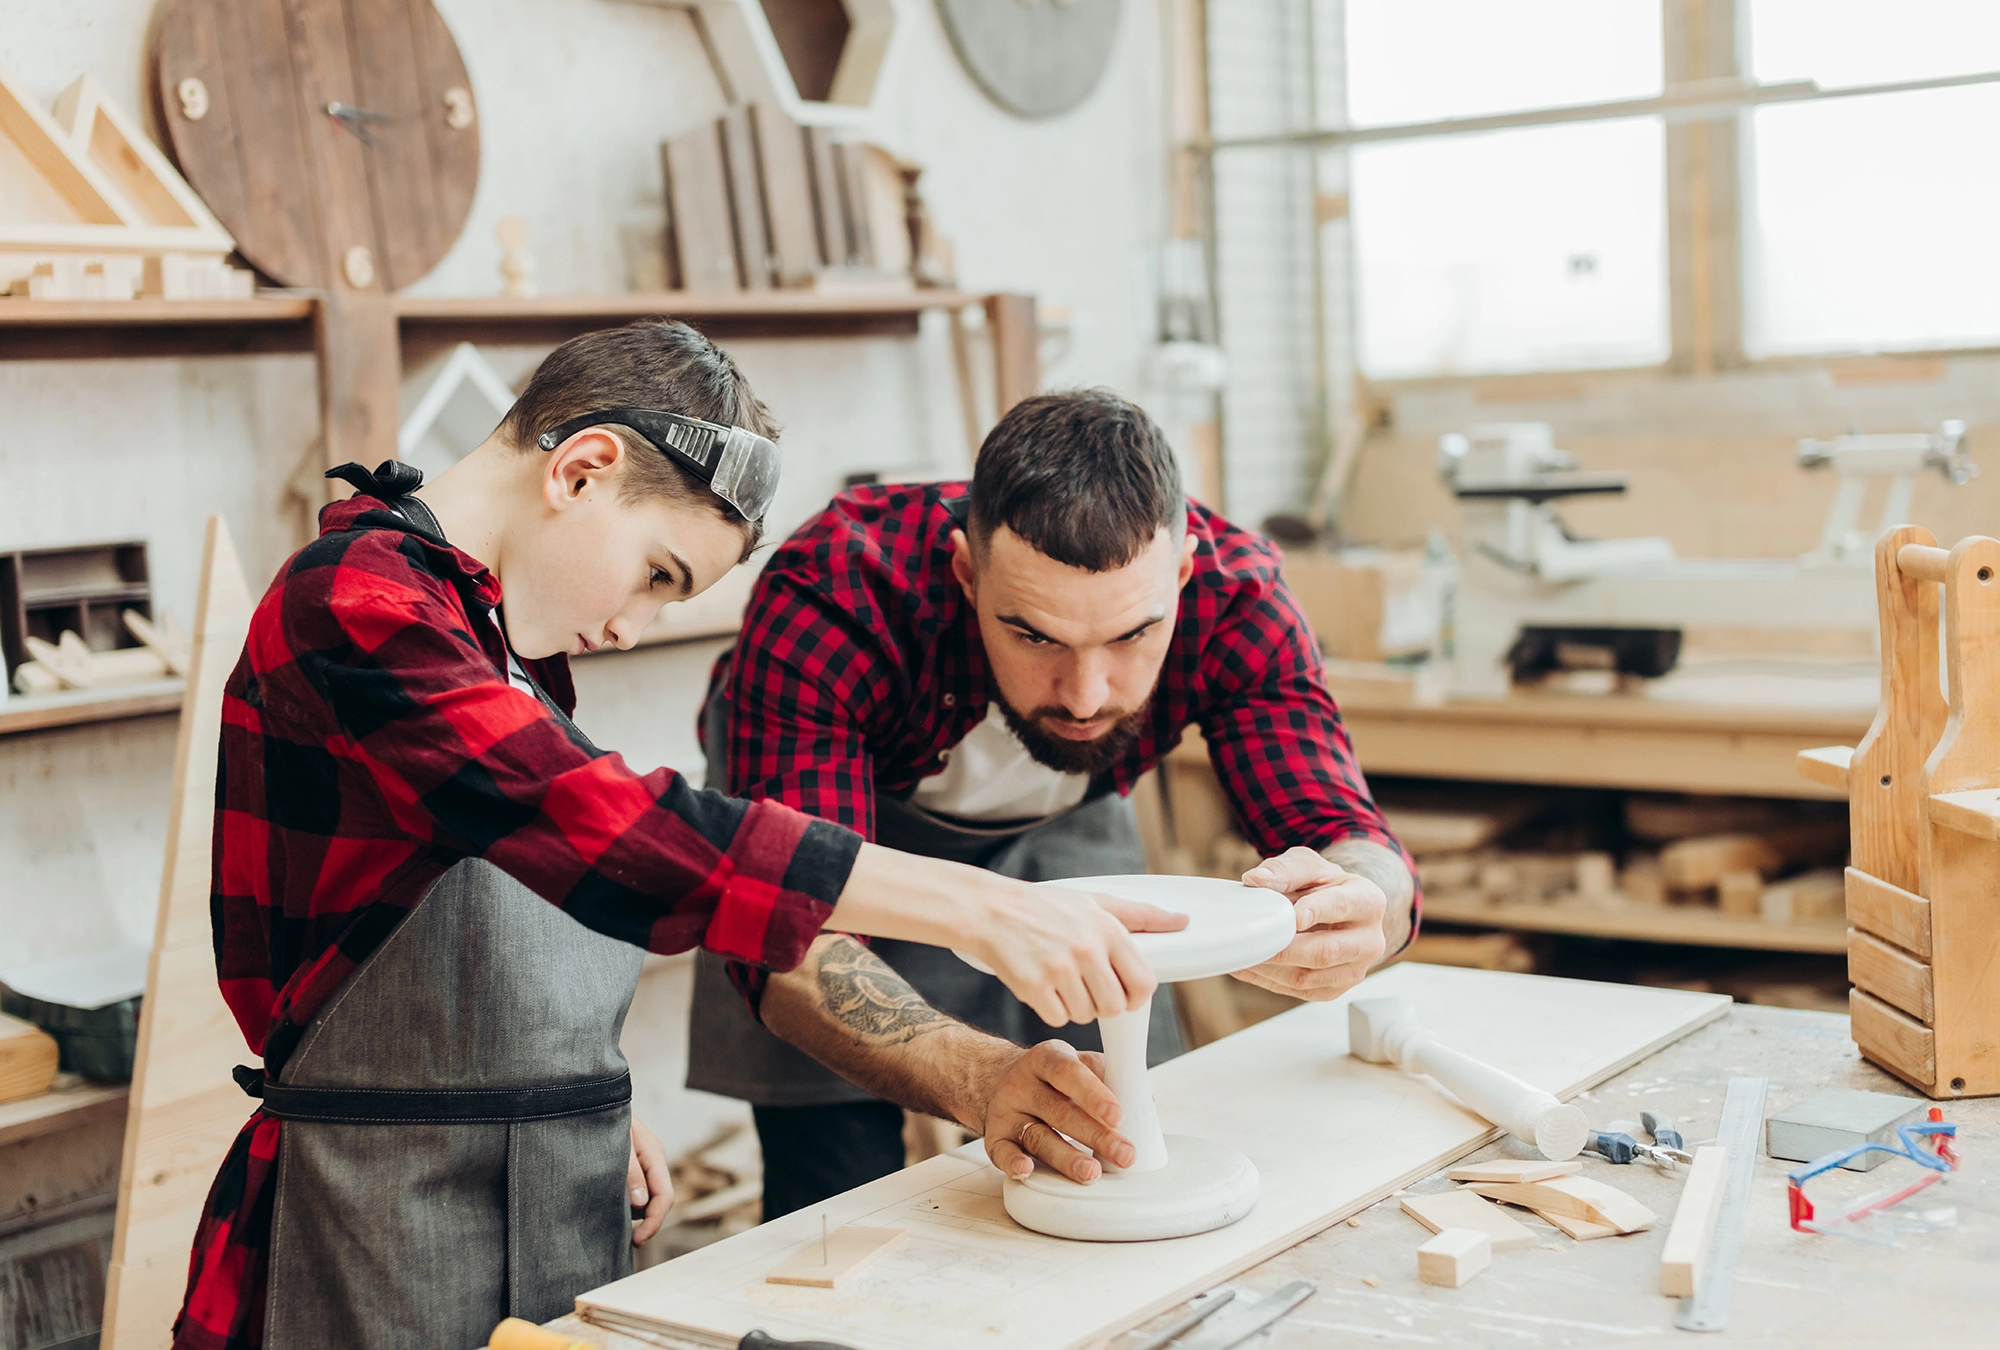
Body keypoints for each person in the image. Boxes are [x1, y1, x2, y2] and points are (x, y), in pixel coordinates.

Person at [172, 325, 1182, 1350]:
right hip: (375, 1221)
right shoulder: (356, 603)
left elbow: (486, 924)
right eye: (657, 575)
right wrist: (975, 908)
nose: (628, 630)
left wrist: (557, 1101)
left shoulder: (492, 641)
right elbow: (609, 830)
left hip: (539, 1184)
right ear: (581, 469)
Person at [694, 388, 1421, 1219]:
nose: (1085, 695)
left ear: (1184, 577)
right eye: (1035, 635)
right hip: (846, 834)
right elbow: (790, 926)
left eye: (1131, 636)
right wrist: (980, 1078)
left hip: (1068, 818)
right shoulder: (838, 588)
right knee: (839, 1191)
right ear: (968, 575)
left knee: (1126, 1118)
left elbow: (1347, 837)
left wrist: (1364, 902)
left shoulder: (1238, 596)